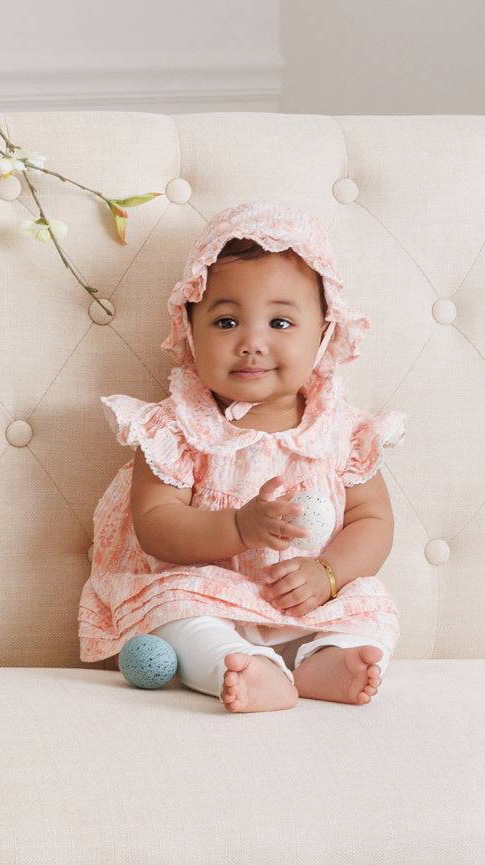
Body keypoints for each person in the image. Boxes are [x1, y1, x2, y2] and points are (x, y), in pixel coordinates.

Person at [79, 201, 405, 713]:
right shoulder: (177, 428)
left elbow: (374, 519)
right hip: (213, 599)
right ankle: (237, 665)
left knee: (374, 609)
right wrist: (240, 528)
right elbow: (155, 525)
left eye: (280, 322)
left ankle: (331, 660)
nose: (252, 343)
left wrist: (329, 573)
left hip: (314, 602)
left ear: (322, 334)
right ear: (190, 331)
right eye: (227, 321)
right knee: (172, 607)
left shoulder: (344, 430)